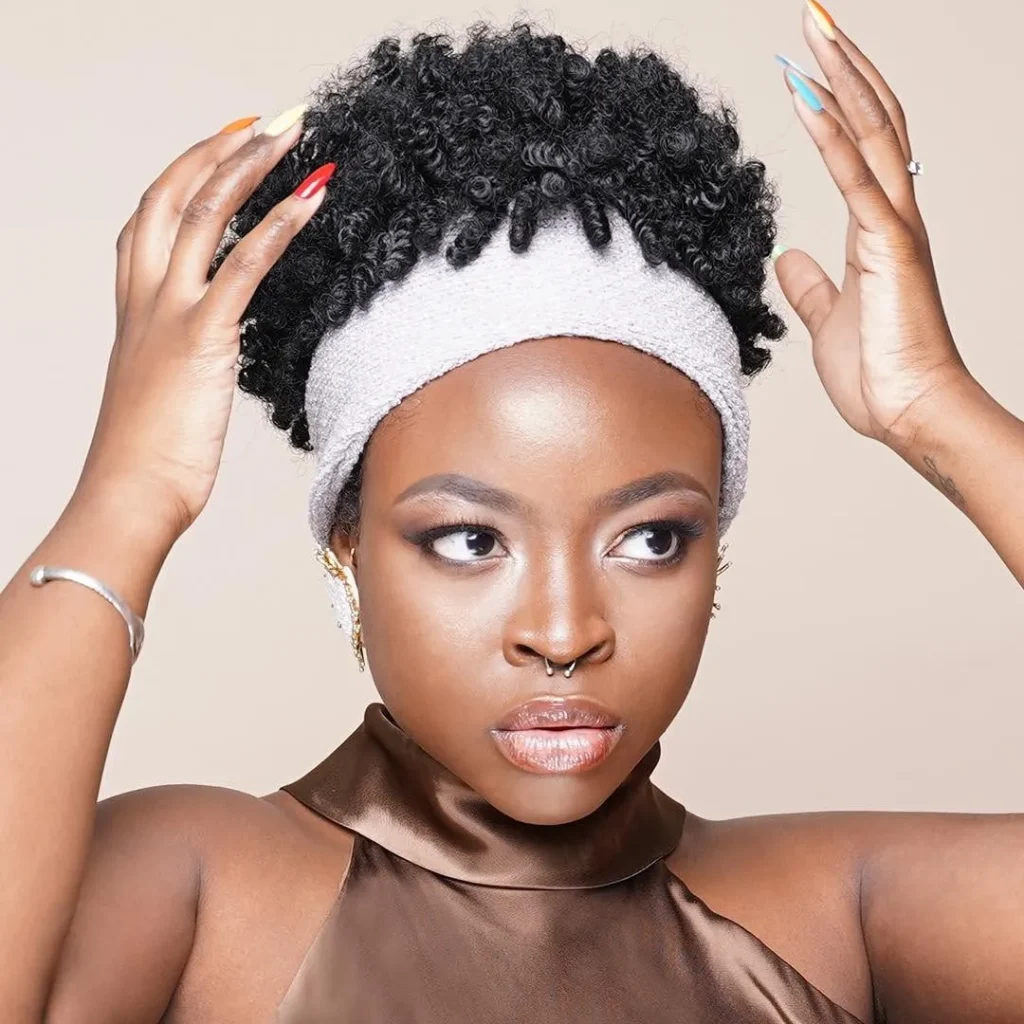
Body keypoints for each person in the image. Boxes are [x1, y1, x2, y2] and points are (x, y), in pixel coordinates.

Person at [1, 8, 1021, 1023]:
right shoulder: (202, 893)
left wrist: (937, 413)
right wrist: (127, 495)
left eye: (650, 539)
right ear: (348, 547)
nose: (564, 633)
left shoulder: (833, 914)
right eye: (470, 540)